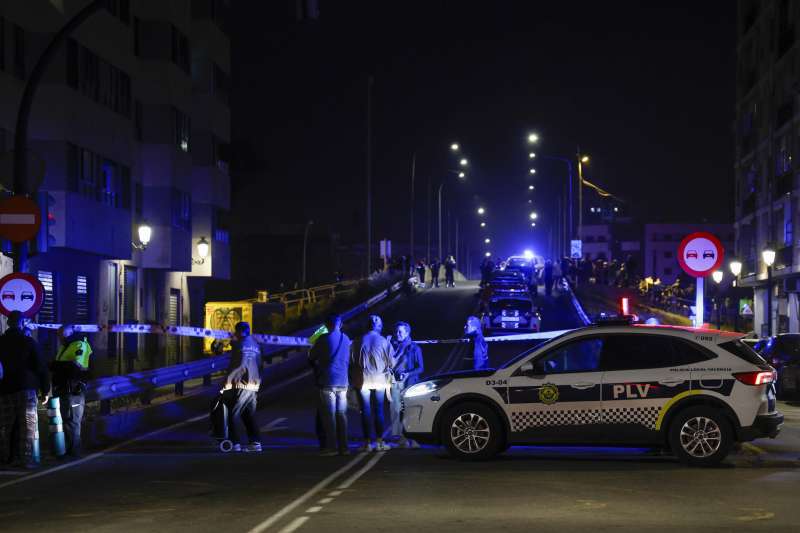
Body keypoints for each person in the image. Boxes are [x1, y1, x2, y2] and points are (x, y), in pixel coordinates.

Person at [0, 311, 49, 468]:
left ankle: (5, 458)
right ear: (21, 323)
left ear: (8, 324)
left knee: (6, 425)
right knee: (27, 426)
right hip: (25, 388)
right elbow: (41, 367)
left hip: (4, 389)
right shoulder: (28, 342)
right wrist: (45, 390)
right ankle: (26, 459)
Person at [309, 314, 352, 456]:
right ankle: (344, 447)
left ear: (326, 325)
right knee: (342, 415)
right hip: (343, 382)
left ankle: (332, 447)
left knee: (329, 416)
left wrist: (320, 333)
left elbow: (311, 356)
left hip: (328, 381)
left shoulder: (323, 338)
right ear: (340, 324)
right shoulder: (346, 339)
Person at [351, 315, 395, 451]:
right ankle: (380, 442)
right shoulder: (384, 341)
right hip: (380, 380)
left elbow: (352, 360)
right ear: (380, 326)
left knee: (365, 411)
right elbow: (392, 362)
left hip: (363, 380)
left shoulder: (357, 341)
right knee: (379, 410)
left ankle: (367, 443)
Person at [51, 325, 93, 458]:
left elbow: (76, 366)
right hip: (63, 388)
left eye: (61, 335)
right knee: (65, 420)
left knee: (72, 420)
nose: (59, 338)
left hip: (73, 390)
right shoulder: (66, 346)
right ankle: (67, 449)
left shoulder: (79, 345)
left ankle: (74, 451)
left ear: (68, 334)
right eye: (58, 335)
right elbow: (63, 365)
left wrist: (54, 365)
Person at [223, 322, 262, 453]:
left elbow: (236, 365)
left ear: (239, 331)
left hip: (241, 384)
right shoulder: (256, 345)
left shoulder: (239, 345)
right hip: (254, 384)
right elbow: (260, 364)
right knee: (247, 413)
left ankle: (235, 443)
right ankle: (255, 442)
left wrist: (227, 381)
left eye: (236, 332)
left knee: (231, 413)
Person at [388, 322, 424, 448]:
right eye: (396, 331)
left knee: (409, 411)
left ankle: (413, 438)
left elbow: (420, 367)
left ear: (407, 333)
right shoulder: (392, 346)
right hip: (395, 383)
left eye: (400, 332)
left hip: (409, 384)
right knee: (396, 410)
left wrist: (408, 374)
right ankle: (399, 438)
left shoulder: (414, 348)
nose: (397, 334)